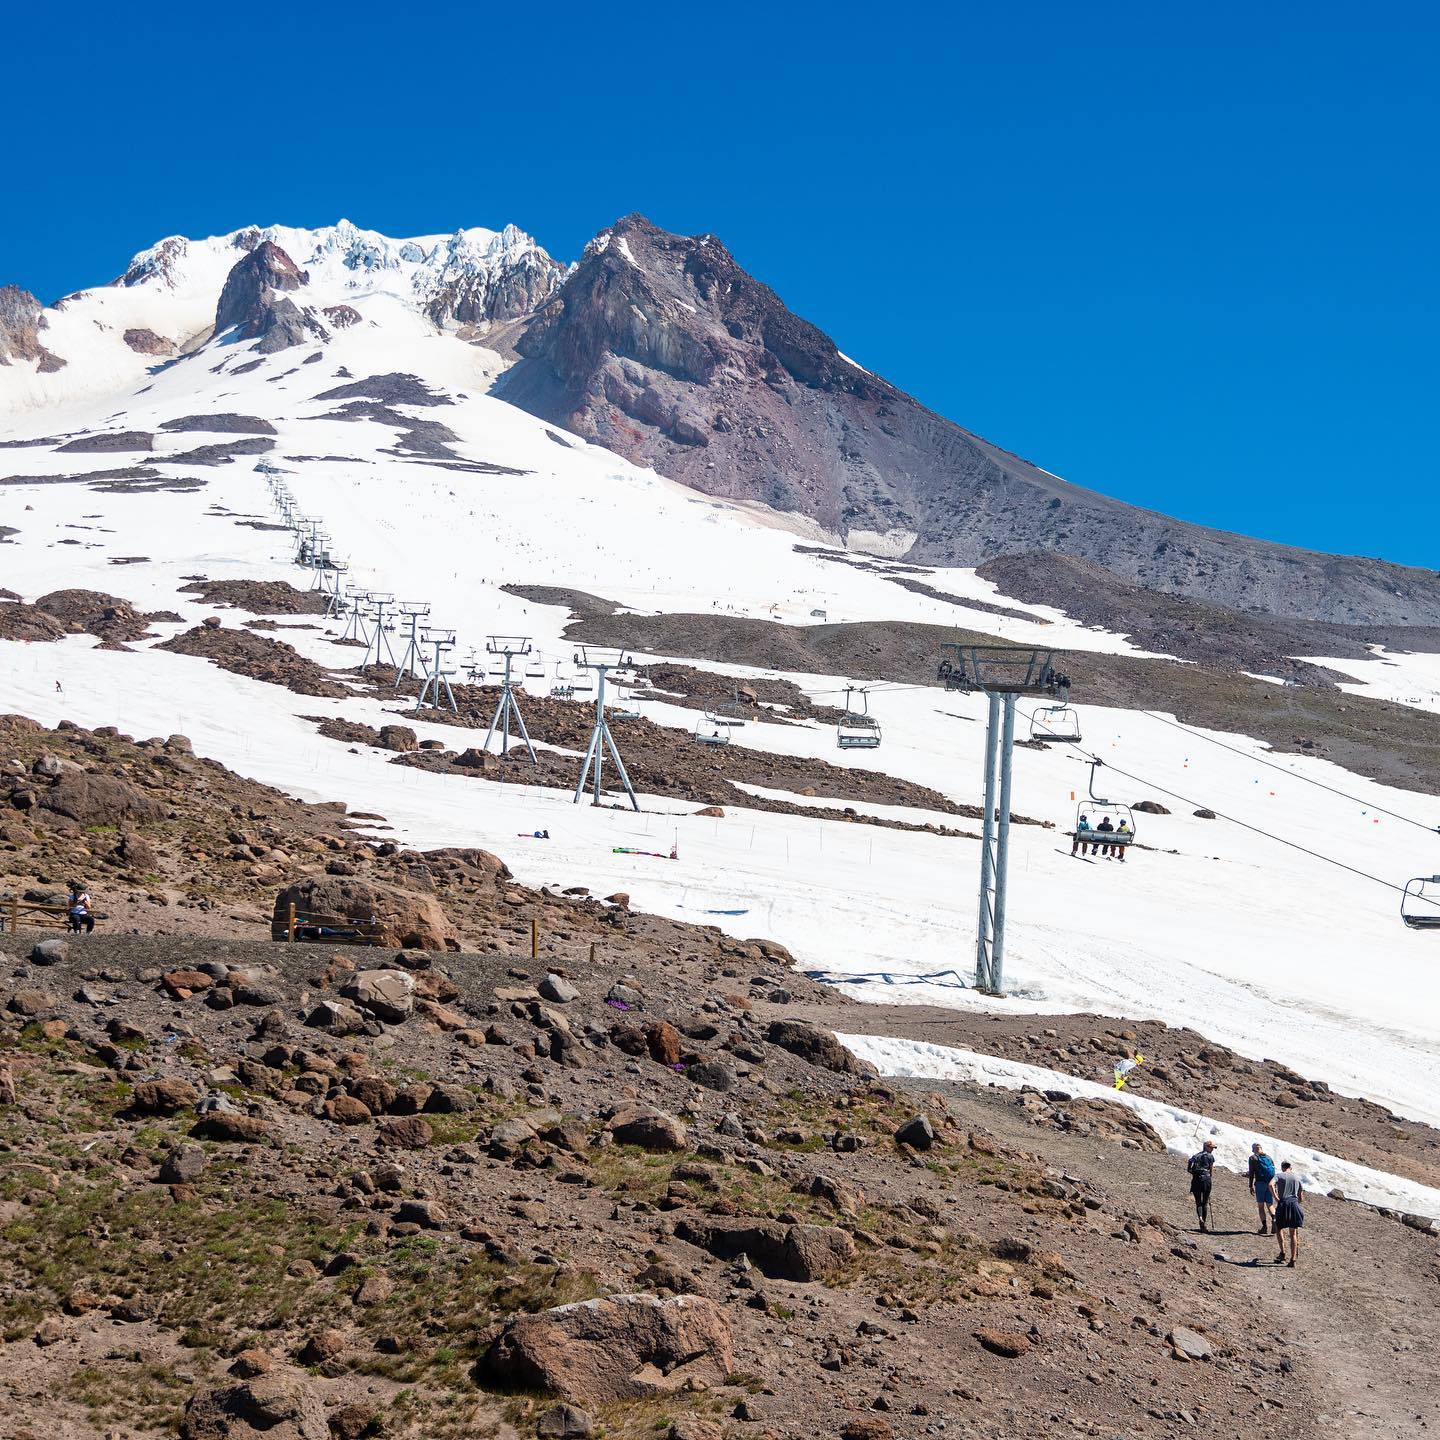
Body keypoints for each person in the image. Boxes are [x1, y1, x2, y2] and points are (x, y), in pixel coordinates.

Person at [1271, 1161, 1304, 1266]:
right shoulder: (1296, 1178)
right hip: (1294, 1204)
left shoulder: (1279, 1176)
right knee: (1293, 1233)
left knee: (1279, 1228)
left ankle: (1283, 1252)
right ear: (1291, 1168)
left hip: (1283, 1203)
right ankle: (1293, 1258)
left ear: (1282, 1167)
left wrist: (1276, 1198)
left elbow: (1270, 1184)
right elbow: (1301, 1197)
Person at [1187, 1139, 1217, 1231]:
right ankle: (1203, 1225)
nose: (1212, 1150)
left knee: (1198, 1202)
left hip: (1196, 1179)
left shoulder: (1196, 1156)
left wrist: (1194, 1173)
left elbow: (1189, 1168)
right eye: (1211, 1147)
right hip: (1206, 1180)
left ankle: (1200, 1218)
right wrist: (1209, 1178)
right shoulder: (1210, 1156)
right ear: (1206, 1147)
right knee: (1205, 1202)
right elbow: (1211, 1171)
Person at [1247, 1143, 1277, 1234]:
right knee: (1270, 1204)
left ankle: (1264, 1227)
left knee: (1261, 1206)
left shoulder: (1253, 1158)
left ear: (1255, 1149)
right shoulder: (1269, 1158)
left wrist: (1250, 1185)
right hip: (1270, 1184)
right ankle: (1274, 1219)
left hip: (1260, 1183)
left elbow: (1251, 1173)